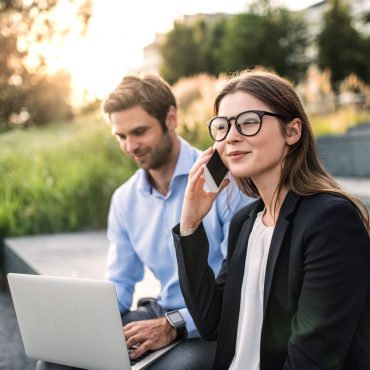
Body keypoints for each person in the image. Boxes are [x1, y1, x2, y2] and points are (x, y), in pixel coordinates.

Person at [173, 70, 370, 370]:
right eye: (222, 127)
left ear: (292, 132)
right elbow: (212, 322)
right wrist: (189, 227)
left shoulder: (331, 220)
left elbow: (312, 358)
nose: (232, 137)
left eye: (249, 122)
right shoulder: (245, 223)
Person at [101, 74, 251, 369]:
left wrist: (175, 323)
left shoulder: (221, 179)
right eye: (121, 136)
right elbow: (120, 282)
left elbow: (240, 286)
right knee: (58, 361)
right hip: (159, 308)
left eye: (139, 131)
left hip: (215, 320)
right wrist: (85, 320)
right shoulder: (124, 199)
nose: (130, 146)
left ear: (171, 118)